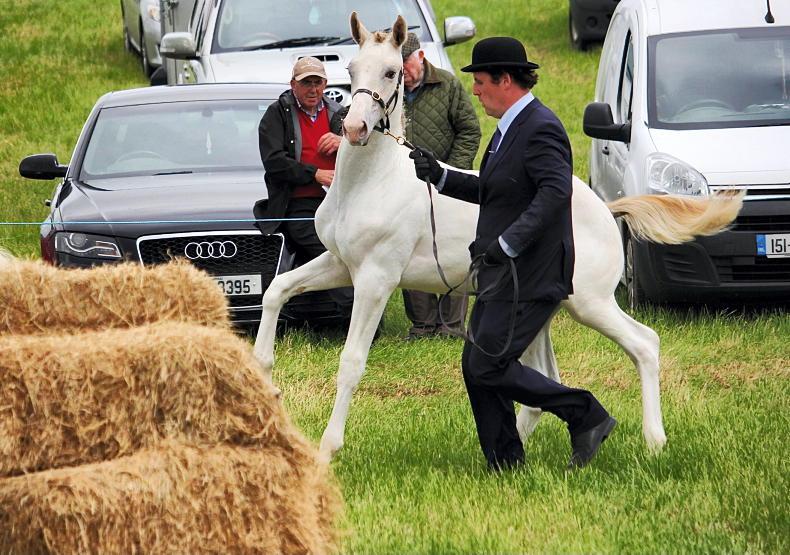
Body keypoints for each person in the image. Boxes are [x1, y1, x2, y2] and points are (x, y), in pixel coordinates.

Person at [410, 37, 616, 471]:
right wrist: (440, 176)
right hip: (501, 272)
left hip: (530, 273)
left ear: (506, 80)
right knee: (476, 365)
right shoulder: (508, 128)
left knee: (487, 365)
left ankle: (585, 413)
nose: (475, 90)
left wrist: (508, 243)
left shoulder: (541, 126)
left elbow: (555, 193)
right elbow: (493, 190)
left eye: (481, 82)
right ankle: (505, 462)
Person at [255, 56, 354, 317]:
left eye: (317, 83)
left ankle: (354, 313)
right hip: (299, 205)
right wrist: (315, 175)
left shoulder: (340, 113)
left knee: (355, 250)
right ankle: (353, 312)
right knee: (333, 253)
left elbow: (367, 149)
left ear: (325, 84)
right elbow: (274, 162)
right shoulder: (277, 114)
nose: (313, 89)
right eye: (306, 83)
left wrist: (343, 142)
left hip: (340, 202)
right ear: (293, 85)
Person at [399, 32, 481, 340]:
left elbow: (469, 131)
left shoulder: (448, 85)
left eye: (406, 63)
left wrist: (451, 172)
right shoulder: (389, 87)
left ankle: (451, 326)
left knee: (452, 246)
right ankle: (422, 324)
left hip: (448, 182)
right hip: (404, 184)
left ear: (420, 57)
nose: (402, 72)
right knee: (409, 247)